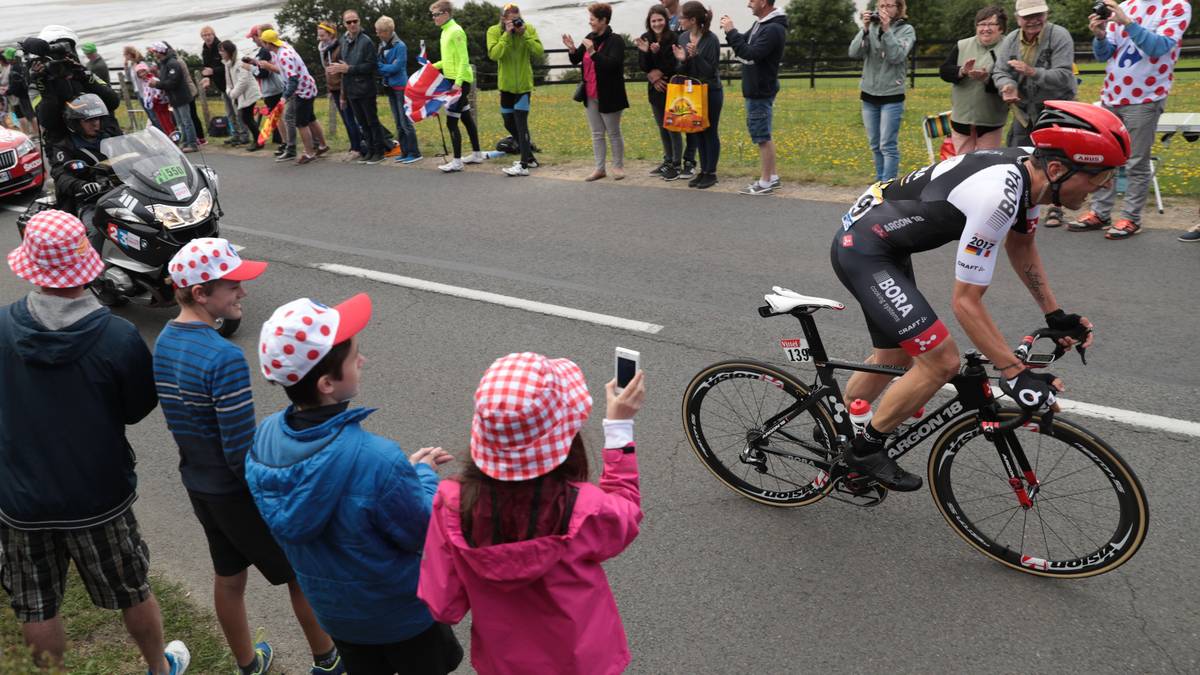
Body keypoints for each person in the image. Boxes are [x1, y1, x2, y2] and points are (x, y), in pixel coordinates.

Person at [829, 100, 1126, 491]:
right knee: (941, 362)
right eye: (1099, 176)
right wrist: (1014, 372)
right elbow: (966, 302)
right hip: (864, 248)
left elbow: (1022, 247)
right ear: (1057, 169)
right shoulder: (997, 198)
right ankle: (864, 450)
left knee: (895, 356)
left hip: (884, 241)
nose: (1105, 187)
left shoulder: (1030, 172)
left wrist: (1055, 315)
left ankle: (840, 431)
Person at [1, 210, 191, 675]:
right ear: (86, 261)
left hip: (21, 495)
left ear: (32, 266)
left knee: (37, 605)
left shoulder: (3, 326)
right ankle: (157, 668)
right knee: (133, 588)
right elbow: (134, 408)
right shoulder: (117, 336)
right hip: (97, 494)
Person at [247, 294, 464, 675]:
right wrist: (422, 474)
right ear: (328, 383)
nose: (363, 361)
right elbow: (422, 532)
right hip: (401, 616)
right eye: (354, 357)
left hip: (336, 615)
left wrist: (402, 476)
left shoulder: (264, 440)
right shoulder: (376, 458)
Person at [154, 239, 344, 675]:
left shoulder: (165, 340)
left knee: (229, 575)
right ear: (201, 293)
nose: (243, 292)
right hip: (237, 492)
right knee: (300, 571)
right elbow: (240, 452)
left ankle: (248, 664)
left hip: (199, 485)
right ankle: (328, 659)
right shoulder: (224, 358)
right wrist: (276, 492)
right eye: (233, 285)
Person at [418, 352, 646, 675]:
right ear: (564, 437)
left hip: (504, 663)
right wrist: (620, 427)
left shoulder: (453, 502)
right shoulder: (582, 507)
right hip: (583, 661)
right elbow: (626, 512)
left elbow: (444, 605)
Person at [1071, 0, 1192, 240]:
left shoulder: (1176, 6)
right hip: (1112, 96)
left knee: (1136, 161)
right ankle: (1100, 212)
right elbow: (1103, 55)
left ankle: (1131, 217)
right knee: (1106, 159)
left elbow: (1159, 47)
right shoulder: (1127, 4)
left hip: (1146, 98)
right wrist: (1100, 36)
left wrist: (1127, 22)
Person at [991, 0, 1075, 227]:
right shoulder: (1010, 40)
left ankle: (1057, 209)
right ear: (1018, 18)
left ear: (1046, 14)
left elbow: (1064, 76)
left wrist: (1032, 72)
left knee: (1058, 159)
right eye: (1027, 16)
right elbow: (1000, 70)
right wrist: (1007, 86)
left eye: (1038, 14)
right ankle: (1020, 206)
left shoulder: (1059, 36)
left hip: (1056, 109)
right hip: (1024, 112)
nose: (1033, 20)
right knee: (1020, 157)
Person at [722, 0, 788, 195]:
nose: (748, 3)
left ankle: (765, 182)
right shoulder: (762, 24)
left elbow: (751, 54)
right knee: (763, 133)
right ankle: (773, 177)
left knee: (762, 137)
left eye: (752, 0)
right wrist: (731, 31)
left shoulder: (773, 29)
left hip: (760, 89)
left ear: (763, 2)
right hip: (757, 88)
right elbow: (744, 43)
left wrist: (731, 32)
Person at [849, 0, 915, 183]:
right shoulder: (871, 27)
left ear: (898, 8)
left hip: (892, 95)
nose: (884, 9)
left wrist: (887, 31)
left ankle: (888, 187)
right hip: (869, 95)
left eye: (889, 5)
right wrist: (864, 28)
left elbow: (896, 56)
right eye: (881, 6)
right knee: (875, 145)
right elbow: (853, 53)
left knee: (888, 145)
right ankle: (879, 184)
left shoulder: (907, 30)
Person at [49, 94, 121, 253]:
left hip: (121, 192)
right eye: (89, 120)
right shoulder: (64, 147)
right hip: (90, 200)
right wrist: (82, 185)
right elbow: (61, 175)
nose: (96, 124)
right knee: (96, 229)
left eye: (97, 119)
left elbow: (132, 153)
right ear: (75, 123)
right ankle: (91, 272)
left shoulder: (110, 136)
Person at [565, 2, 629, 181]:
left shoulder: (616, 40)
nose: (590, 22)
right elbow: (576, 58)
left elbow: (612, 65)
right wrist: (571, 48)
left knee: (613, 132)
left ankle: (618, 166)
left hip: (610, 94)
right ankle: (600, 168)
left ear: (604, 20)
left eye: (593, 19)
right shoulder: (589, 37)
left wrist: (593, 52)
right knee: (597, 133)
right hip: (591, 93)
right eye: (590, 19)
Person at [32, 25, 120, 146]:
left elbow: (113, 102)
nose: (64, 56)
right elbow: (48, 122)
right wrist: (45, 87)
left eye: (67, 49)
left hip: (106, 138)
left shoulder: (81, 71)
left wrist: (85, 77)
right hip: (67, 147)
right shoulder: (38, 80)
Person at [940, 6, 1009, 155]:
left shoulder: (1009, 47)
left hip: (990, 120)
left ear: (1001, 28)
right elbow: (944, 71)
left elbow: (1010, 82)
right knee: (961, 165)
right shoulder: (962, 45)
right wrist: (962, 71)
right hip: (962, 119)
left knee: (986, 166)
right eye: (981, 24)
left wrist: (986, 79)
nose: (985, 28)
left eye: (991, 24)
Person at [488, 3, 543, 176]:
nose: (516, 22)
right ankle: (531, 159)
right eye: (512, 20)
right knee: (508, 122)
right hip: (506, 86)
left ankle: (524, 165)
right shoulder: (494, 32)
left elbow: (539, 51)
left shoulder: (529, 29)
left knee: (521, 124)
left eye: (518, 18)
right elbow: (494, 54)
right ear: (504, 19)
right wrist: (506, 34)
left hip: (524, 86)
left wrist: (524, 34)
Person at [260, 29, 328, 166]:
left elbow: (293, 79)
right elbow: (286, 72)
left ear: (268, 43)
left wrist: (285, 96)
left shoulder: (283, 56)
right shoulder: (284, 47)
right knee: (311, 119)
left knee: (301, 123)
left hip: (302, 91)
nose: (262, 45)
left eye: (263, 42)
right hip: (307, 87)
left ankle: (309, 153)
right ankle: (322, 145)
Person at [432, 0, 486, 173]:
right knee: (466, 119)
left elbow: (463, 59)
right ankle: (477, 154)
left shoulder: (456, 31)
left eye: (436, 14)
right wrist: (431, 67)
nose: (434, 18)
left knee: (451, 122)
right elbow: (448, 60)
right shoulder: (445, 31)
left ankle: (457, 161)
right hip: (452, 80)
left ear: (446, 14)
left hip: (458, 83)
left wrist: (458, 83)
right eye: (432, 15)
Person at [673, 1, 722, 189]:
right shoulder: (683, 37)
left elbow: (710, 71)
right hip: (692, 92)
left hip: (711, 92)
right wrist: (683, 60)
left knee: (710, 131)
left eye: (682, 17)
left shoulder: (711, 40)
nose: (679, 19)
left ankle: (711, 172)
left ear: (692, 20)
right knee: (698, 130)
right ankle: (703, 171)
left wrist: (696, 55)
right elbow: (681, 68)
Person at [329, 9, 387, 165]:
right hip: (351, 89)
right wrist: (343, 91)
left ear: (359, 21)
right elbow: (343, 66)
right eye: (349, 22)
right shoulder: (343, 40)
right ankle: (369, 150)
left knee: (372, 121)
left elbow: (371, 66)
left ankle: (379, 151)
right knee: (361, 122)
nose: (352, 24)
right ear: (344, 24)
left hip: (366, 88)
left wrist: (349, 69)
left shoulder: (366, 41)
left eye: (355, 21)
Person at [636, 5, 682, 180]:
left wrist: (657, 56)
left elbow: (672, 64)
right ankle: (668, 159)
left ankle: (677, 163)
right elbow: (643, 65)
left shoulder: (673, 38)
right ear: (649, 22)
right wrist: (646, 54)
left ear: (666, 20)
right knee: (662, 126)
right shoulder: (645, 38)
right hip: (655, 88)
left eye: (660, 20)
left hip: (670, 87)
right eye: (653, 20)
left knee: (673, 126)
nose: (656, 24)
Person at [377, 15, 423, 164]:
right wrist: (385, 68)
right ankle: (404, 151)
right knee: (398, 122)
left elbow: (397, 67)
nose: (377, 34)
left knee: (405, 121)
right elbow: (379, 64)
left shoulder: (400, 46)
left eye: (379, 31)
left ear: (387, 31)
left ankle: (415, 152)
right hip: (389, 87)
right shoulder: (381, 45)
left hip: (400, 87)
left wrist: (383, 68)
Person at [317, 21, 363, 160]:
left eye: (323, 35)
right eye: (319, 36)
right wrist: (330, 89)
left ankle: (357, 148)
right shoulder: (325, 49)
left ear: (331, 34)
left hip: (344, 89)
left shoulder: (339, 48)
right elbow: (328, 71)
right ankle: (354, 145)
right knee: (346, 119)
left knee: (350, 118)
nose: (320, 38)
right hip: (334, 88)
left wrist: (343, 95)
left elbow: (343, 73)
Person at [148, 42, 199, 152]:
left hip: (181, 96)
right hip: (173, 97)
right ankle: (185, 141)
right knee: (180, 122)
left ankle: (192, 143)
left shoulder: (172, 63)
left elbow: (172, 82)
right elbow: (165, 79)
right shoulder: (163, 63)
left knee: (186, 121)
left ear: (160, 52)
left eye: (155, 52)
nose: (154, 54)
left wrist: (157, 84)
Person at [201, 27, 245, 147]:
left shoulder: (221, 47)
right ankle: (235, 134)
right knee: (229, 112)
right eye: (204, 35)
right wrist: (207, 79)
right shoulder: (205, 50)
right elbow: (206, 68)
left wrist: (212, 72)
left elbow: (227, 65)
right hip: (221, 86)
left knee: (237, 111)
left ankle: (244, 135)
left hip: (231, 84)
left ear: (214, 35)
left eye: (209, 34)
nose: (207, 37)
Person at [248, 25, 287, 153]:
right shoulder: (268, 50)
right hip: (273, 87)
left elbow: (264, 73)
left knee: (278, 116)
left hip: (273, 88)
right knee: (277, 116)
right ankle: (282, 140)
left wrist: (251, 68)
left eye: (258, 36)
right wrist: (255, 63)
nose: (256, 39)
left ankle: (285, 142)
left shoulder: (267, 51)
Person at [222, 41, 261, 149]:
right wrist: (229, 90)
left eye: (223, 51)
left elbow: (244, 80)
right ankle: (258, 139)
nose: (221, 53)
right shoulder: (227, 63)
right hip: (240, 94)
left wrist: (233, 93)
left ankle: (258, 141)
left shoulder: (240, 61)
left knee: (247, 118)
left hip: (249, 93)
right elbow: (228, 80)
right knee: (246, 118)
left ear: (229, 51)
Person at [3, 48, 37, 136]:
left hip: (22, 95)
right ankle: (35, 132)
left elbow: (15, 85)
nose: (7, 59)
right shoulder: (21, 64)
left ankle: (36, 133)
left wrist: (7, 92)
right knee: (30, 115)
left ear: (10, 58)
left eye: (7, 58)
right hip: (27, 93)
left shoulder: (15, 68)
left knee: (30, 115)